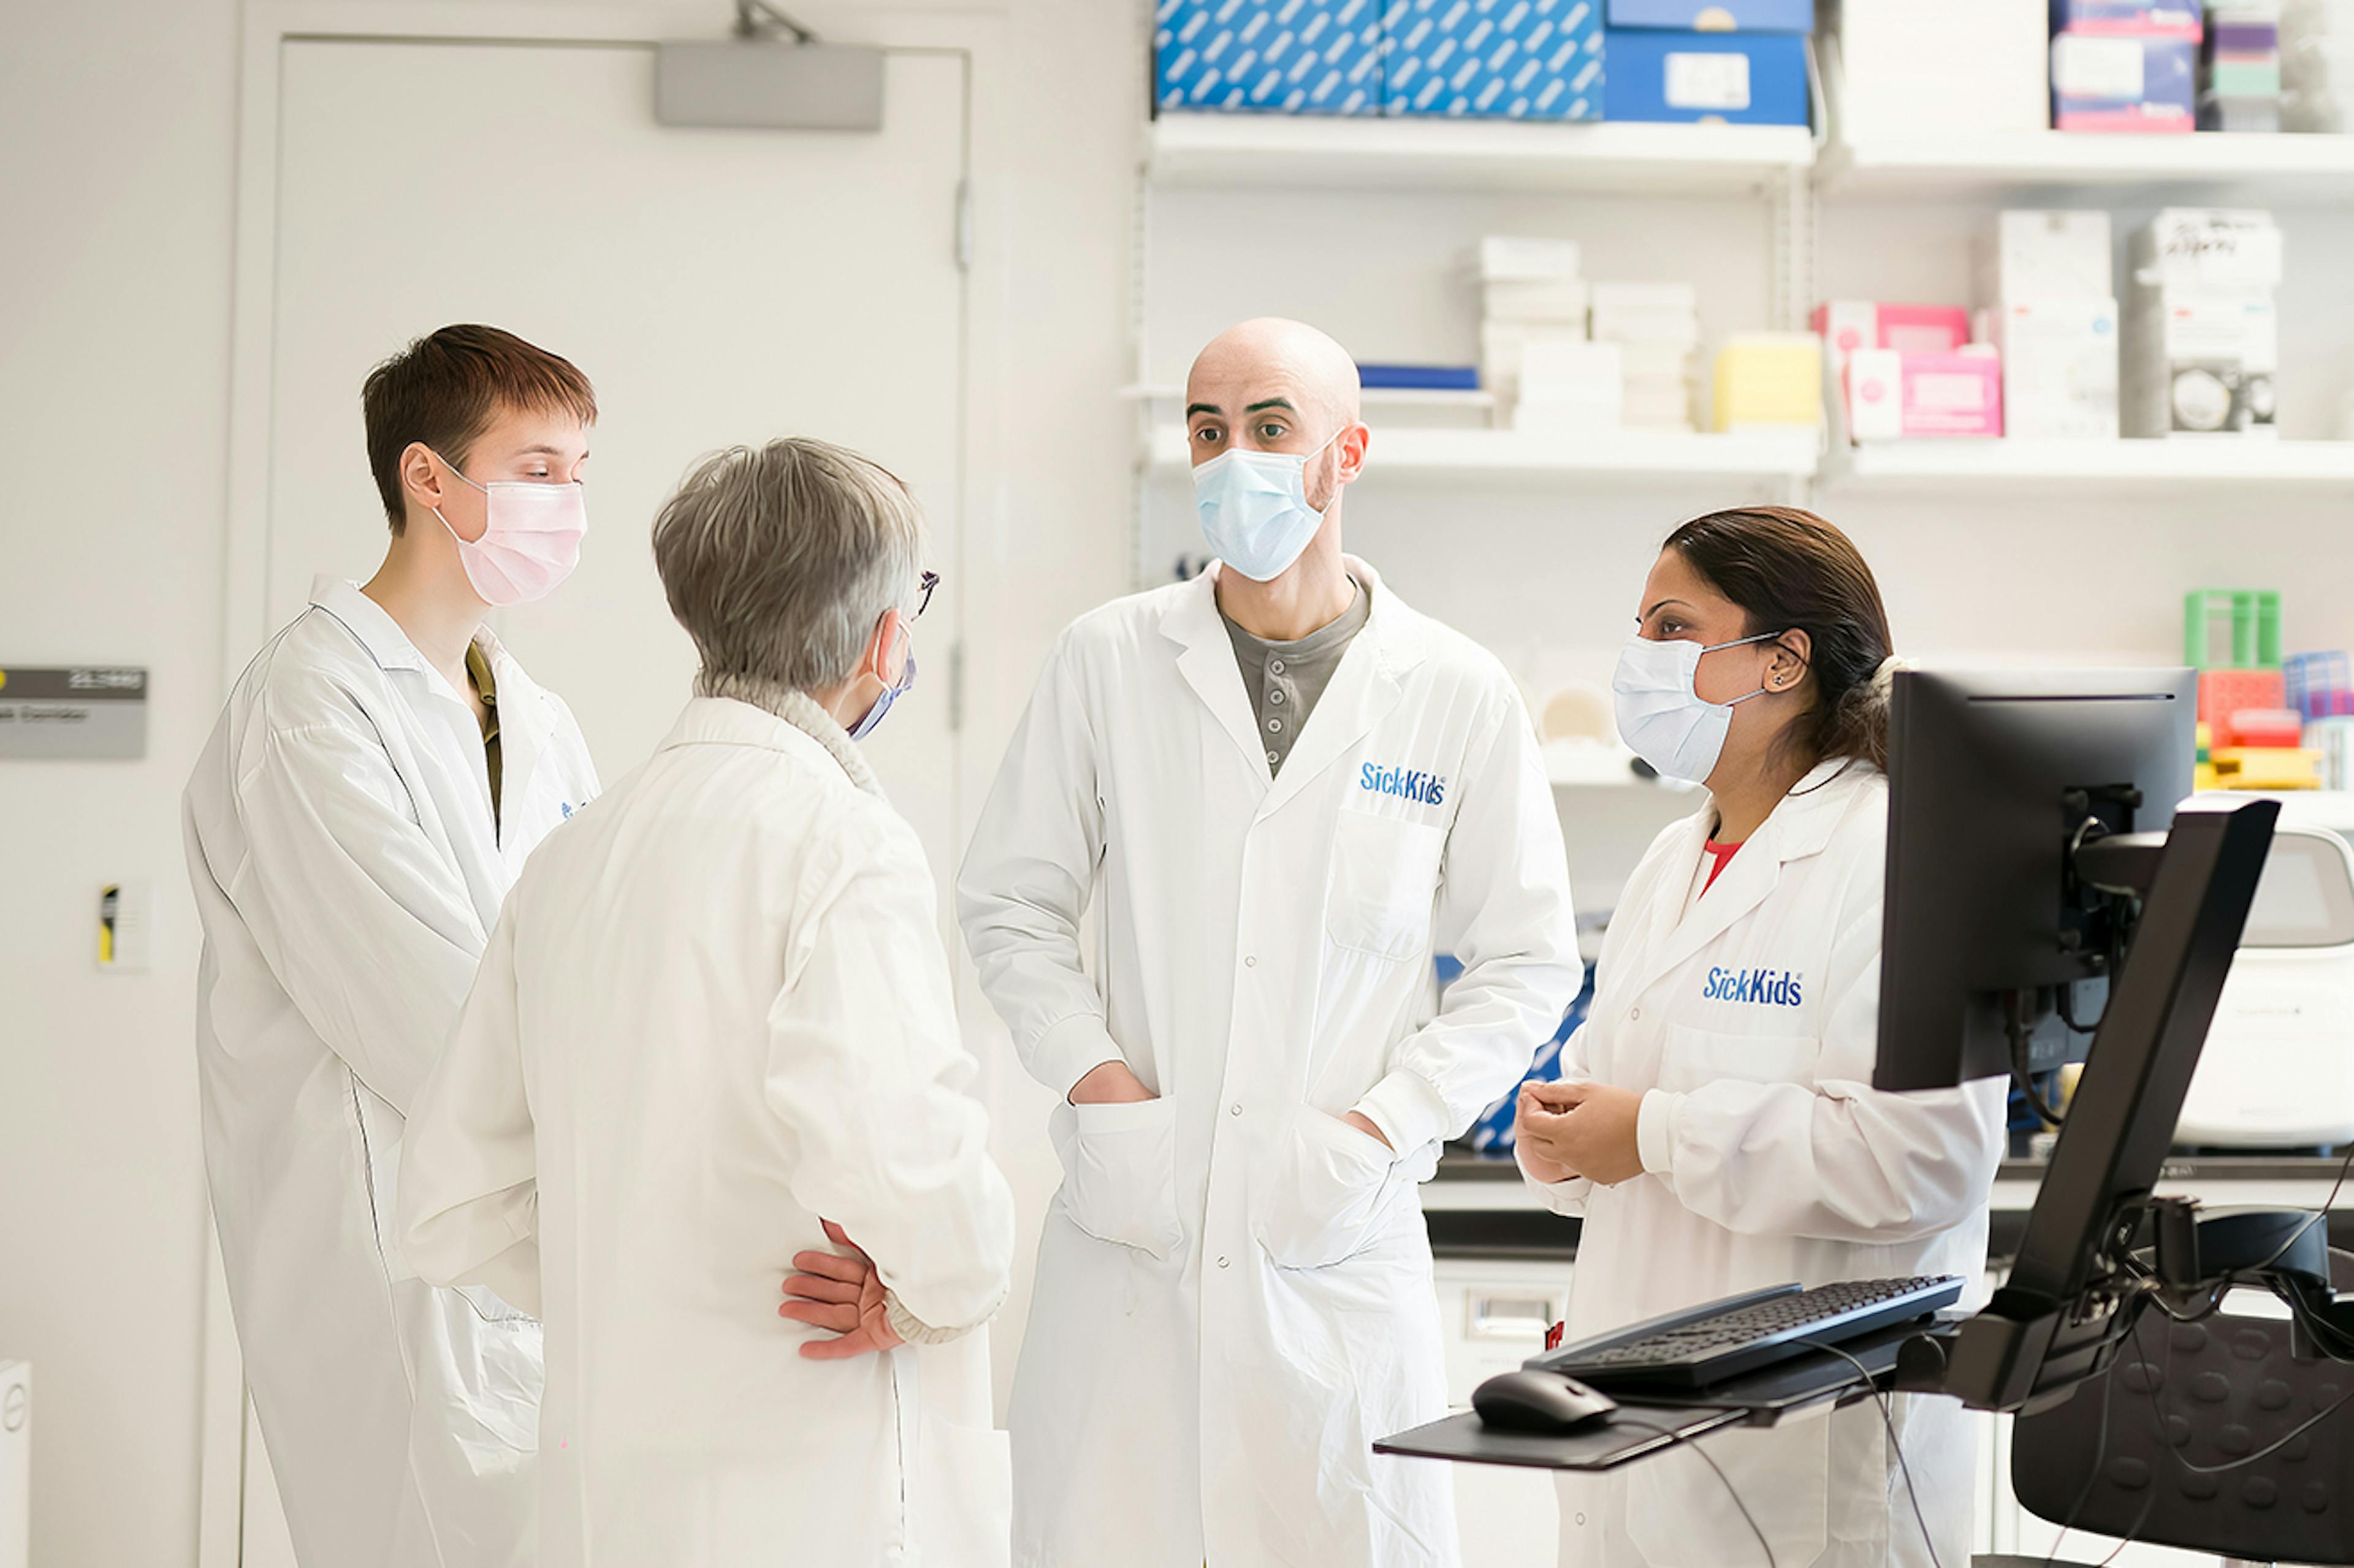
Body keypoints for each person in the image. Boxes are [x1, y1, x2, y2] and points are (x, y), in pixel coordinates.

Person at [950, 318, 1582, 1567]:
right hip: (1137, 1233)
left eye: (1269, 427)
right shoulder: (1109, 659)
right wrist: (1101, 1077)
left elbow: (1526, 961)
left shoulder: (1452, 689)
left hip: (1336, 1237)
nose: (1232, 454)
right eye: (1207, 429)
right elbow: (1008, 903)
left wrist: (1383, 1125)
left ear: (1344, 455)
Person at [397, 438, 1019, 1567]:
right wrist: (931, 1292)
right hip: (805, 1474)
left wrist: (626, 1265)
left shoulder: (578, 854)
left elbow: (456, 1193)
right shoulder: (842, 840)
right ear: (885, 636)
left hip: (614, 1483)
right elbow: (917, 1172)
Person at [1514, 506, 2007, 1568]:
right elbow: (1613, 1091)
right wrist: (1561, 1135)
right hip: (1637, 1437)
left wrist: (1650, 1135)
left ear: (1782, 660)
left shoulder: (1896, 853)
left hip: (1804, 1474)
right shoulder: (1670, 857)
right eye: (1638, 628)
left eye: (1671, 627)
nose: (1636, 660)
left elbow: (1925, 1158)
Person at [183, 324, 601, 1566]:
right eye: (537, 469)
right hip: (389, 1256)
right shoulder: (306, 705)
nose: (568, 504)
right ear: (430, 477)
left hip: (528, 1250)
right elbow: (439, 1021)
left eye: (582, 469)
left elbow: (591, 958)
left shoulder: (533, 717)